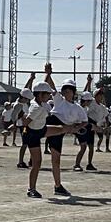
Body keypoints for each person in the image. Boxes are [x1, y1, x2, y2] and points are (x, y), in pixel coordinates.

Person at [24, 82, 77, 199]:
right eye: (47, 94)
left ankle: (72, 130)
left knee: (62, 129)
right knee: (37, 163)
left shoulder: (43, 104)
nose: (49, 96)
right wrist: (13, 128)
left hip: (42, 129)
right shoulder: (36, 108)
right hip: (32, 134)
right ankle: (31, 189)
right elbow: (25, 122)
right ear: (40, 94)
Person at [43, 64, 87, 195]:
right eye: (65, 90)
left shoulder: (78, 108)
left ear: (73, 92)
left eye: (69, 90)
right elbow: (50, 86)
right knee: (34, 135)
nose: (66, 92)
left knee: (56, 159)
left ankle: (58, 186)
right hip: (52, 123)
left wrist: (76, 128)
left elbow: (85, 121)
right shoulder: (59, 100)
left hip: (62, 130)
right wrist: (48, 74)